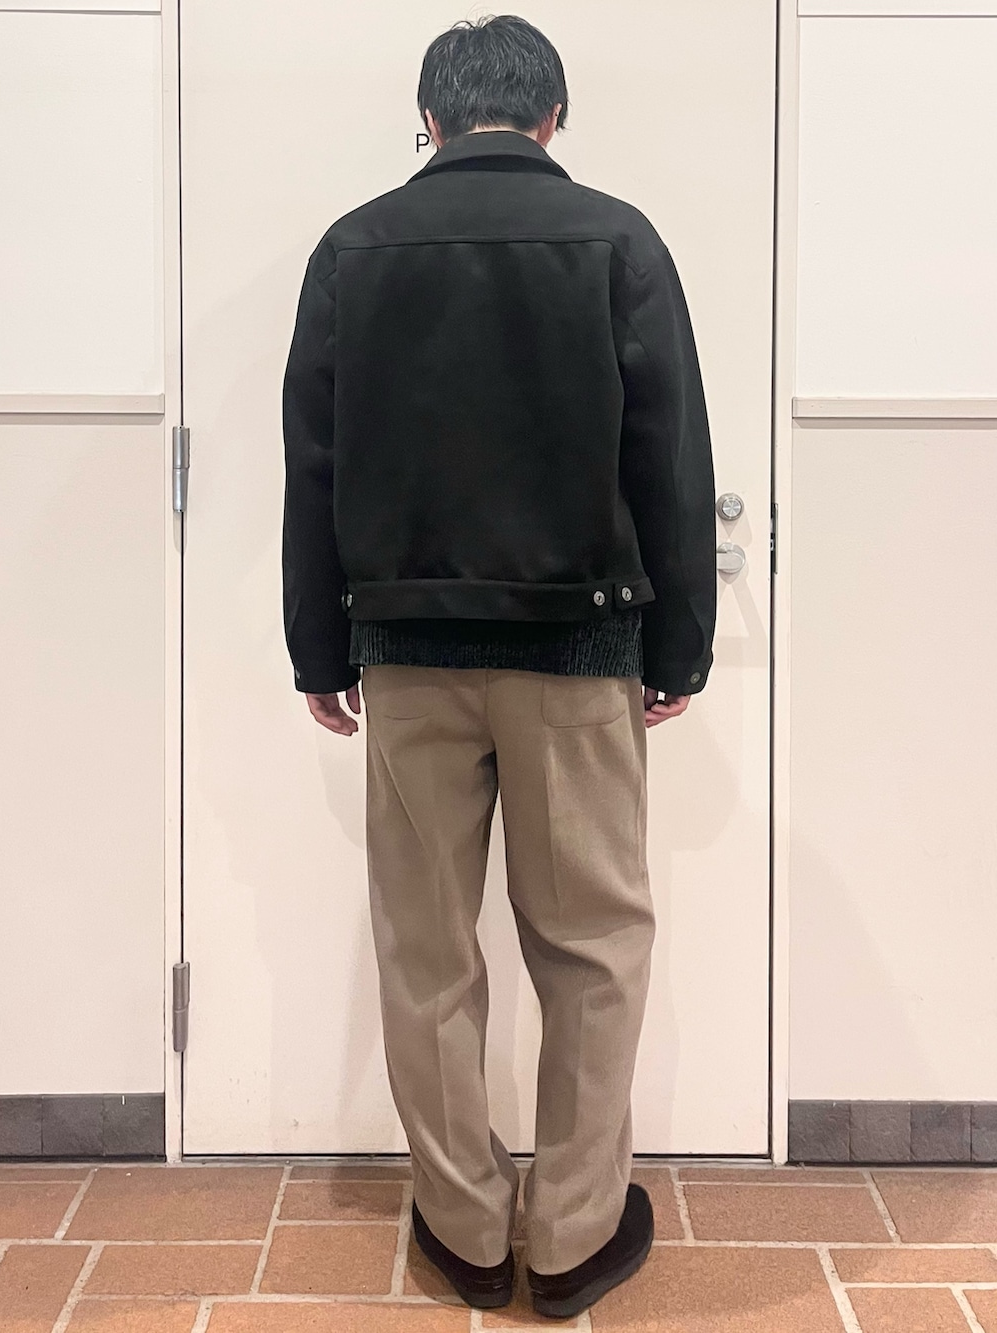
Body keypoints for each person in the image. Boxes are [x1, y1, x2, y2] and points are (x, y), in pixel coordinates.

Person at [281, 13, 716, 1319]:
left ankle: (465, 1224)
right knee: (593, 944)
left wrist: (319, 645)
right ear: (553, 116)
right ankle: (574, 1234)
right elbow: (670, 457)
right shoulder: (619, 242)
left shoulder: (352, 249)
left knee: (425, 950)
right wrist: (680, 642)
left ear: (428, 119)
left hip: (408, 656)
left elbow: (313, 466)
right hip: (579, 653)